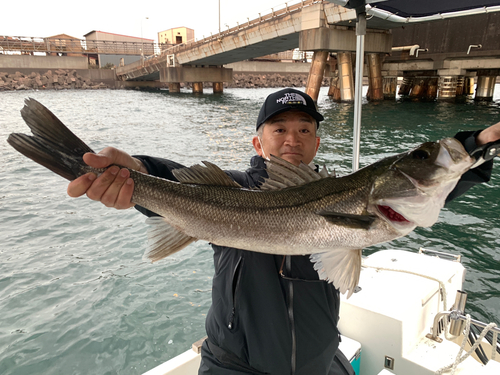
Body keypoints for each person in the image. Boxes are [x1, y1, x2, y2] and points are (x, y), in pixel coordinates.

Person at [67, 88, 500, 374]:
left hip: (317, 360)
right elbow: (181, 185)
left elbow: (429, 188)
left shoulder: (348, 191)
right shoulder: (237, 188)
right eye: (279, 129)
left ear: (315, 142)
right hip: (234, 365)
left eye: (304, 129)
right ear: (259, 142)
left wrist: (475, 146)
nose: (291, 139)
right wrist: (138, 173)